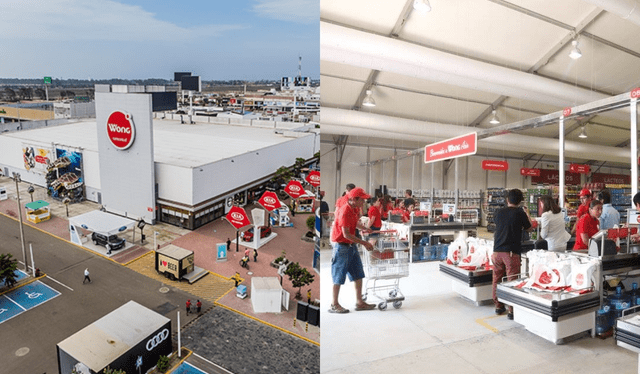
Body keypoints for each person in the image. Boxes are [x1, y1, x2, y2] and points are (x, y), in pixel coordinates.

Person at [330, 187, 376, 313]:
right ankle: (334, 304)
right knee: (338, 276)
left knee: (358, 274)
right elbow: (346, 234)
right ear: (354, 199)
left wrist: (364, 228)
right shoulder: (345, 210)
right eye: (362, 200)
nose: (364, 202)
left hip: (351, 246)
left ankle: (359, 302)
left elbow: (354, 223)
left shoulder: (354, 209)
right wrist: (364, 243)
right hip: (342, 246)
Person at [492, 189, 532, 320]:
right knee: (512, 280)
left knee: (496, 279)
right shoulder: (520, 213)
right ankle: (512, 310)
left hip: (497, 252)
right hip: (510, 253)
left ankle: (498, 306)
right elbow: (529, 228)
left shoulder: (498, 212)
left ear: (507, 200)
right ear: (520, 201)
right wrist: (527, 214)